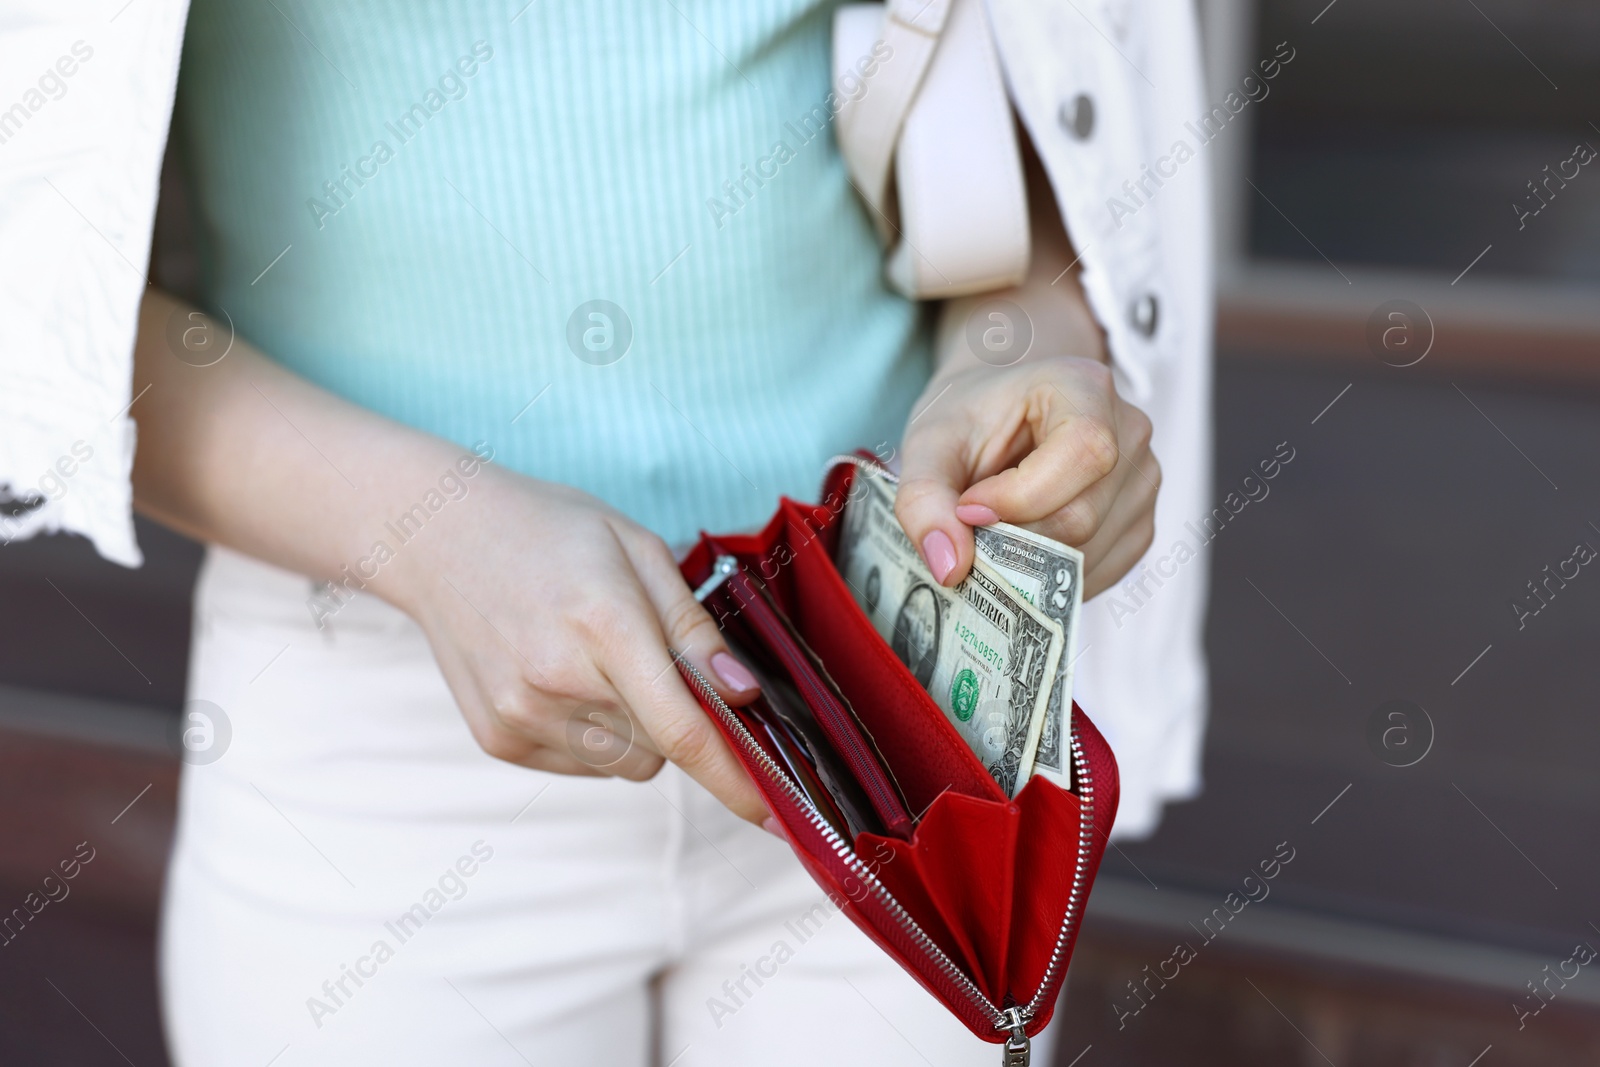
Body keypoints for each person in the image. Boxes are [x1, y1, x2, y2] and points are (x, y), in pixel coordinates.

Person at [0, 1, 1211, 1063]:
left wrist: (1029, 361)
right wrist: (425, 534)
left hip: (881, 692)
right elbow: (35, 285)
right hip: (375, 745)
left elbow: (1006, 101)